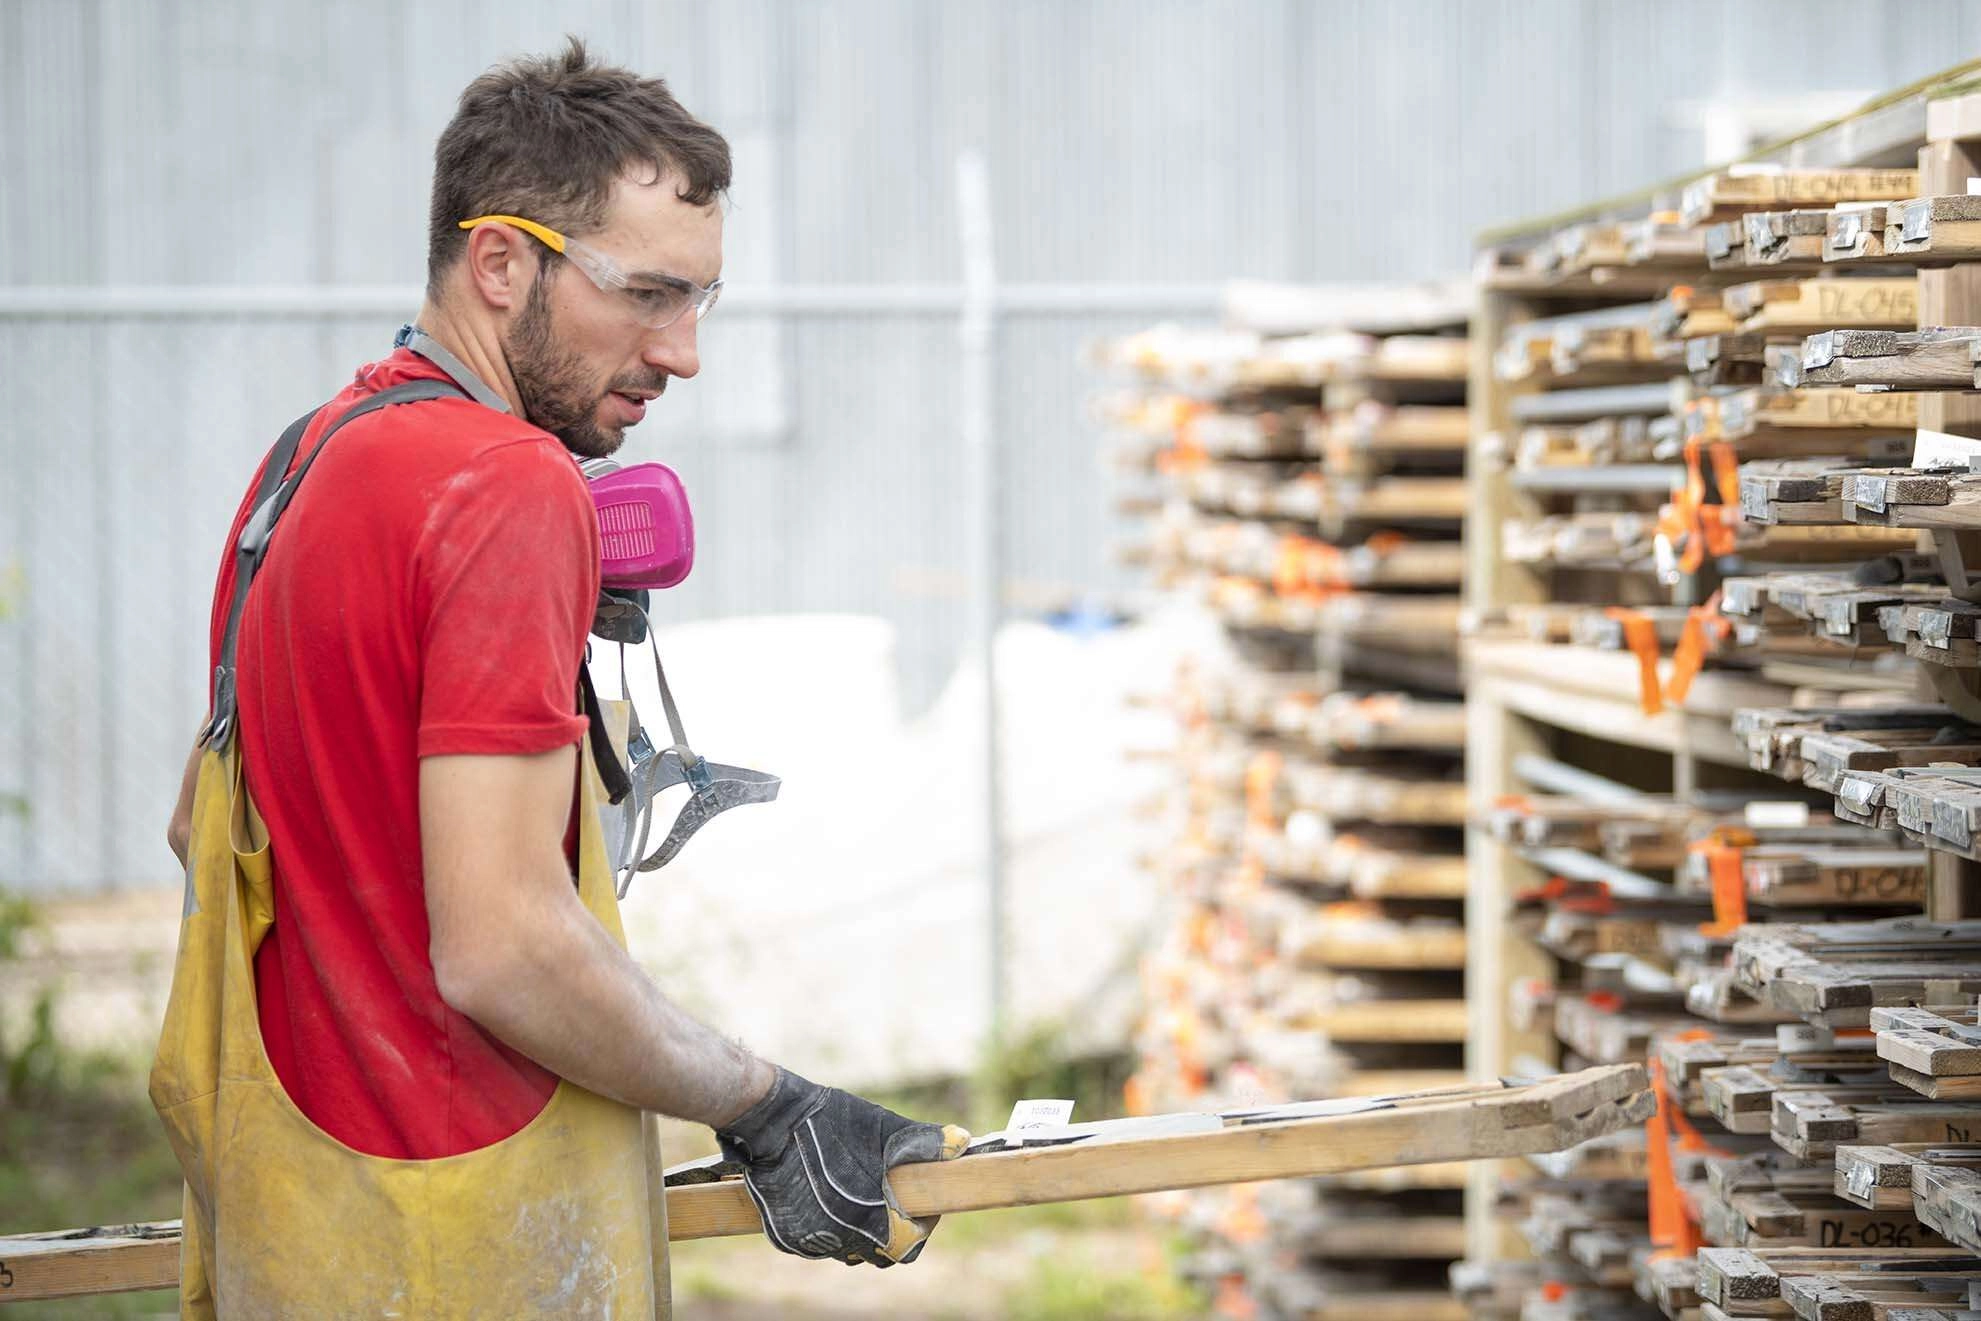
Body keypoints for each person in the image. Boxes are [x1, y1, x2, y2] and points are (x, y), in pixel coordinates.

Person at [152, 39, 964, 1319]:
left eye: (699, 301)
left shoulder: (303, 464)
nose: (682, 352)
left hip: (299, 1214)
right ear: (499, 263)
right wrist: (768, 1106)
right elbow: (505, 947)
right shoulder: (510, 485)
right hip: (465, 1225)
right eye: (646, 294)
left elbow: (205, 830)